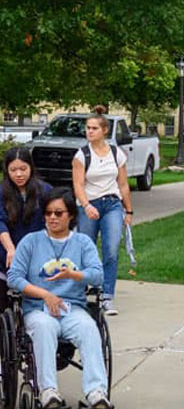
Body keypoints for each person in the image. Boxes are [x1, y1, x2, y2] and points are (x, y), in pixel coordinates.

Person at [7, 187, 111, 409]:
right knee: (44, 328)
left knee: (89, 329)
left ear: (71, 215)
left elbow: (98, 274)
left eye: (58, 213)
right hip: (38, 309)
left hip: (72, 308)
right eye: (48, 213)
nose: (52, 218)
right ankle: (48, 391)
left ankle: (96, 392)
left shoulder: (82, 243)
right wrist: (46, 294)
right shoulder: (31, 242)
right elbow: (14, 277)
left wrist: (73, 275)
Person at [72, 106, 133, 316]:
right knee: (85, 249)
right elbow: (78, 185)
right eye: (88, 128)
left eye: (94, 128)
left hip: (112, 204)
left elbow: (123, 184)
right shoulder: (82, 155)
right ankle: (81, 291)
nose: (89, 132)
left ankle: (107, 296)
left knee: (111, 249)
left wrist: (129, 211)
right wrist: (86, 205)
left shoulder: (117, 154)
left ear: (105, 130)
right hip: (89, 204)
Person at [0, 147, 50, 313]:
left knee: (35, 309)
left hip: (37, 260)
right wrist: (10, 249)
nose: (19, 174)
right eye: (13, 170)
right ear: (7, 171)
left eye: (23, 169)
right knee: (6, 310)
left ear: (31, 168)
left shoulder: (44, 191)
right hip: (4, 261)